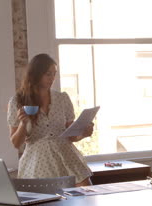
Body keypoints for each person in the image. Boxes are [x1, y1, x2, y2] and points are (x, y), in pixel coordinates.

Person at [7, 53, 93, 186]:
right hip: (37, 161)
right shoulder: (17, 101)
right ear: (36, 74)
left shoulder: (62, 98)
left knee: (87, 195)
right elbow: (16, 143)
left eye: (54, 73)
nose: (52, 78)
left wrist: (83, 134)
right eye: (48, 74)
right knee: (46, 203)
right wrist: (23, 124)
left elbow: (71, 136)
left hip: (67, 156)